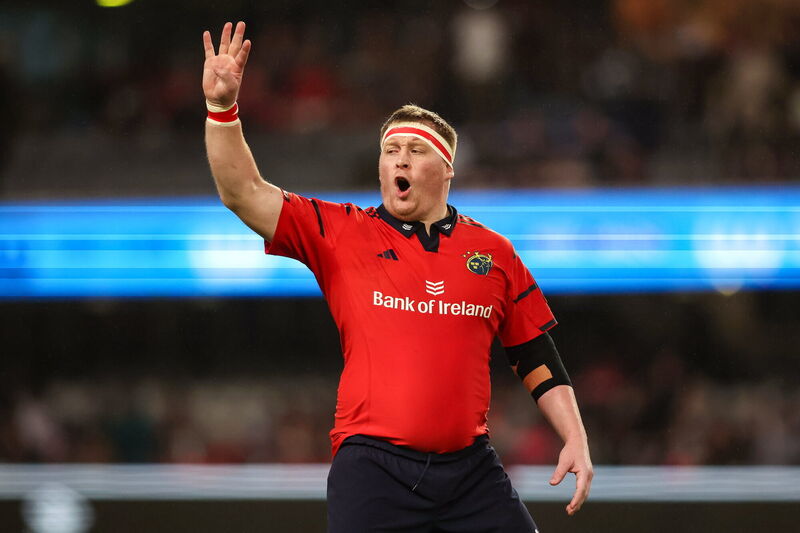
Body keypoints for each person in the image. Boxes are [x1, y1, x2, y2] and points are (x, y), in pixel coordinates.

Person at [203, 21, 593, 533]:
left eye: (415, 150)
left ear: (447, 169)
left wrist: (576, 437)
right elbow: (243, 192)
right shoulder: (341, 231)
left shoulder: (493, 252)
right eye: (391, 151)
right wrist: (222, 108)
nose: (399, 160)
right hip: (373, 468)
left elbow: (534, 354)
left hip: (470, 471)